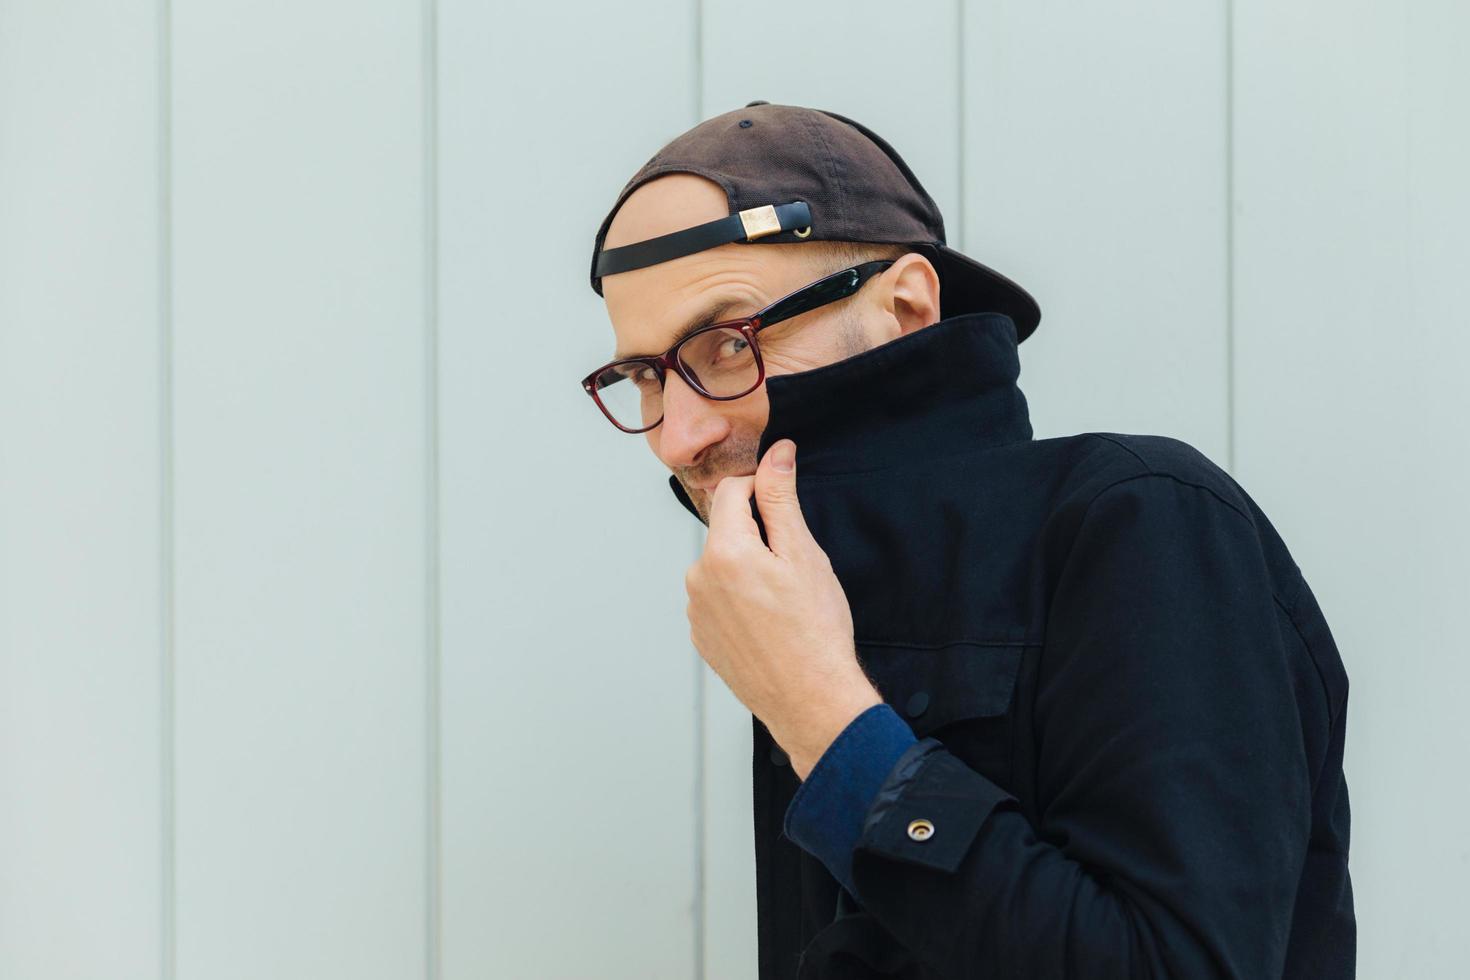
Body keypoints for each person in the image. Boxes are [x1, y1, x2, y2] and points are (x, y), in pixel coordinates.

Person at [580, 101, 1354, 979]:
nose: (676, 437)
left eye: (724, 344)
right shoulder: (812, 607)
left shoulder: (1140, 522)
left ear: (906, 308)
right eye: (643, 376)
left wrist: (829, 724)